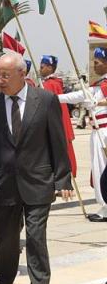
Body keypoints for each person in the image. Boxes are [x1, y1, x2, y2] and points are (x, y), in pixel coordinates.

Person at [0, 52, 72, 284]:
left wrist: (63, 178)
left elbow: (58, 139)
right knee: (6, 239)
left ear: (23, 74)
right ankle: (4, 280)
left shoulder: (44, 100)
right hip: (4, 184)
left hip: (38, 182)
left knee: (35, 238)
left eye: (5, 75)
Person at [58, 47, 107, 222]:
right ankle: (104, 205)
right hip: (97, 131)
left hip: (105, 132)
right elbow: (76, 96)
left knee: (103, 169)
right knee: (98, 168)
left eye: (97, 62)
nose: (94, 65)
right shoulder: (98, 86)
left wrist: (97, 101)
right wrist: (54, 97)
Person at [40, 55, 77, 177]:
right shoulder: (53, 83)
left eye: (43, 66)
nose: (40, 69)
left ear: (50, 68)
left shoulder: (49, 84)